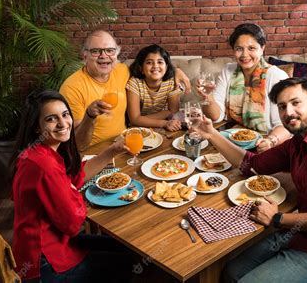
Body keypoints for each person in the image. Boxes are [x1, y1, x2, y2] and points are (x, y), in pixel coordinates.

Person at [191, 78, 307, 282]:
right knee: (231, 272)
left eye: (296, 103)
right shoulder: (297, 142)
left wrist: (278, 219)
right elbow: (252, 165)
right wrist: (212, 134)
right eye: (282, 107)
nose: (289, 112)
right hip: (304, 235)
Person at [10, 90, 133, 282]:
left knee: (126, 246)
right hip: (47, 260)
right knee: (133, 264)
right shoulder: (44, 165)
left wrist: (111, 151)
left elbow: (75, 178)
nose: (62, 124)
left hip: (43, 243)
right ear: (36, 127)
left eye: (65, 115)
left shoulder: (36, 152)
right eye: (51, 119)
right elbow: (73, 224)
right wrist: (73, 194)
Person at [60, 30, 191, 150]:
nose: (103, 55)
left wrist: (175, 71)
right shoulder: (72, 87)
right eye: (96, 51)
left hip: (123, 143)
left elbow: (151, 70)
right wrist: (90, 115)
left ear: (116, 54)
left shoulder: (122, 70)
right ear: (84, 56)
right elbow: (78, 143)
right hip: (93, 151)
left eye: (110, 50)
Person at [197, 23, 291, 152]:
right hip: (231, 140)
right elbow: (216, 116)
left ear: (262, 48)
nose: (244, 55)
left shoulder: (276, 76)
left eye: (251, 48)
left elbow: (285, 124)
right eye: (239, 49)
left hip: (266, 142)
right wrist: (207, 96)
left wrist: (270, 141)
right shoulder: (228, 70)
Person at [126, 44, 182, 131]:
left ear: (166, 67)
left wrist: (141, 119)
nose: (155, 66)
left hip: (151, 123)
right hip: (138, 127)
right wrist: (164, 122)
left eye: (160, 62)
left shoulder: (172, 82)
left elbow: (173, 111)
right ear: (141, 69)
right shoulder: (135, 83)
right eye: (149, 62)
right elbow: (134, 120)